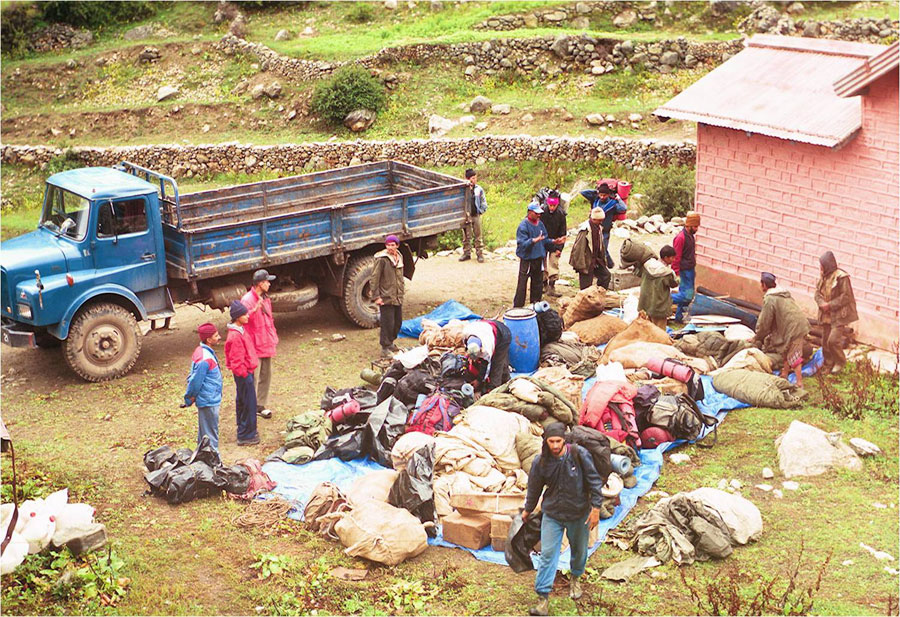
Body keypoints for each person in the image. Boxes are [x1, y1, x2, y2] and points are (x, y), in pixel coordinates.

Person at [522, 423, 604, 616]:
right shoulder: (540, 461)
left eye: (559, 441)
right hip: (553, 514)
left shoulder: (579, 455)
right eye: (551, 441)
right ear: (546, 442)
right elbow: (534, 489)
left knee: (579, 550)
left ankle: (575, 579)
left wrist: (596, 509)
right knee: (548, 554)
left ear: (564, 440)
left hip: (578, 513)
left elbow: (594, 481)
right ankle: (543, 599)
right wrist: (527, 510)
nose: (555, 445)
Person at [751, 272, 811, 387]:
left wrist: (757, 337)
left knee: (794, 354)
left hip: (794, 327)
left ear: (764, 285)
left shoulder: (770, 299)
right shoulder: (783, 294)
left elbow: (764, 322)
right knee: (785, 349)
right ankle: (785, 373)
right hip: (795, 324)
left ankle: (799, 383)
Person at [242, 269, 278, 420]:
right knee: (253, 378)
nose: (269, 284)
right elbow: (242, 319)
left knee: (266, 375)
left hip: (266, 342)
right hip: (254, 345)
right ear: (260, 283)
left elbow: (269, 320)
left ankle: (260, 405)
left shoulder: (265, 298)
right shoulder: (247, 300)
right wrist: (253, 310)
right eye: (267, 281)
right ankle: (249, 406)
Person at [814, 251, 858, 374]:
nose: (820, 268)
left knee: (833, 341)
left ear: (827, 264)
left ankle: (840, 362)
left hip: (839, 315)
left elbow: (846, 296)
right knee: (825, 341)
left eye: (822, 265)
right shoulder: (823, 276)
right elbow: (817, 293)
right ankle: (828, 363)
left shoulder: (841, 277)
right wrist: (821, 303)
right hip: (826, 315)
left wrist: (830, 305)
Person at [183, 322, 223, 451]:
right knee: (210, 436)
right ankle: (214, 463)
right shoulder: (205, 359)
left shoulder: (201, 351)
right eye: (216, 335)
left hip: (209, 398)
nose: (219, 337)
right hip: (209, 400)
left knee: (205, 434)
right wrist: (189, 398)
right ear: (208, 339)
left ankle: (203, 461)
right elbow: (195, 381)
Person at [225, 300, 260, 446]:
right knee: (247, 403)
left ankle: (246, 430)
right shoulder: (235, 336)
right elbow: (236, 361)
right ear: (237, 317)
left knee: (245, 401)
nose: (247, 316)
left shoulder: (238, 329)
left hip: (246, 373)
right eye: (244, 314)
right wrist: (245, 375)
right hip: (244, 375)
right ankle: (246, 435)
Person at [515, 202, 562, 307]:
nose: (539, 215)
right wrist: (533, 241)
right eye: (536, 213)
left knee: (537, 283)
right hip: (527, 259)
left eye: (539, 213)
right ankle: (518, 306)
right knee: (522, 283)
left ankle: (536, 304)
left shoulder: (540, 224)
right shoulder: (523, 226)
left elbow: (544, 239)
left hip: (538, 258)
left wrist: (554, 242)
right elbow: (521, 244)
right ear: (530, 212)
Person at [371, 234, 405, 357]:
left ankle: (390, 343)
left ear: (397, 245)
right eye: (388, 245)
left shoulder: (399, 257)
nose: (390, 247)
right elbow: (374, 278)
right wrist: (376, 297)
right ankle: (385, 348)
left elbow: (400, 277)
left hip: (397, 296)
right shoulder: (382, 259)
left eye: (393, 245)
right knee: (387, 323)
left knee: (398, 322)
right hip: (386, 297)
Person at [636, 245, 679, 330]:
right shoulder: (667, 273)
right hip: (659, 306)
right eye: (672, 258)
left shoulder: (647, 265)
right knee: (659, 332)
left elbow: (637, 273)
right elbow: (674, 284)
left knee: (648, 329)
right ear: (666, 258)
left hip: (646, 304)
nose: (673, 260)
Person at [463, 319, 512, 393]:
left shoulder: (487, 348)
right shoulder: (465, 334)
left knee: (497, 365)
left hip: (503, 335)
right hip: (487, 327)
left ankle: (495, 391)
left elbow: (487, 366)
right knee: (500, 362)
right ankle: (506, 379)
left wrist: (479, 381)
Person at [569, 207, 611, 290]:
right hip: (586, 261)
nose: (601, 222)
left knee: (606, 276)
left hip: (597, 260)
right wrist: (580, 265)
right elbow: (578, 249)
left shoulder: (599, 228)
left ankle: (598, 295)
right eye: (599, 220)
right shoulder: (585, 230)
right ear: (594, 219)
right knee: (586, 287)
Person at [671, 211, 700, 323]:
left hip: (690, 269)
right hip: (684, 271)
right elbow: (676, 257)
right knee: (687, 296)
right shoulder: (681, 238)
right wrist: (676, 273)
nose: (696, 229)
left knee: (687, 296)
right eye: (695, 226)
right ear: (689, 225)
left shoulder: (690, 236)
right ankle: (665, 298)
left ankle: (679, 317)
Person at [539, 189, 567, 297]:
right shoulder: (542, 212)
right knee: (543, 265)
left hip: (556, 242)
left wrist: (559, 248)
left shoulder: (561, 214)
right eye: (550, 205)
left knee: (554, 264)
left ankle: (552, 286)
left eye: (553, 206)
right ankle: (543, 284)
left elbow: (563, 233)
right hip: (543, 241)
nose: (551, 208)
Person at [594, 183, 627, 268]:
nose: (602, 197)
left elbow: (623, 208)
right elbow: (583, 192)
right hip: (595, 228)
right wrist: (596, 190)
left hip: (605, 230)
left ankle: (609, 264)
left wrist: (619, 199)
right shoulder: (596, 201)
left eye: (604, 195)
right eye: (600, 195)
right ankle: (603, 265)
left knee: (603, 248)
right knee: (596, 248)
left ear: (608, 194)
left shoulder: (613, 204)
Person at [460, 169, 487, 263]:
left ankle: (480, 254)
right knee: (466, 236)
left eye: (475, 178)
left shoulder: (479, 189)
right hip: (467, 216)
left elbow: (483, 201)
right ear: (468, 179)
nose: (474, 180)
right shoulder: (463, 190)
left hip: (476, 215)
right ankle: (466, 253)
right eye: (472, 178)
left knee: (478, 235)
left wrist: (482, 210)